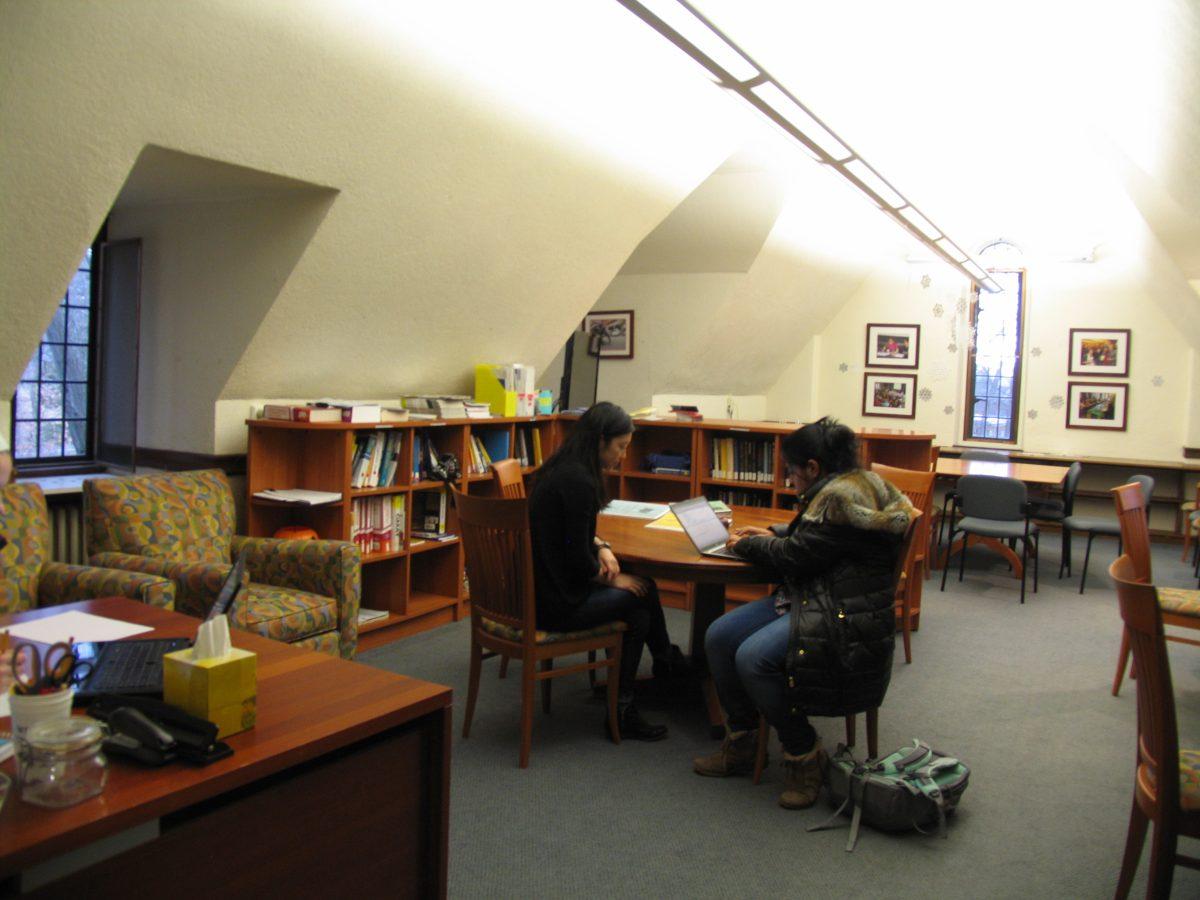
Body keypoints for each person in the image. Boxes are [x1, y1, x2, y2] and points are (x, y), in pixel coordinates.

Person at [692, 417, 913, 808]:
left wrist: (744, 546)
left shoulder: (839, 498)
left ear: (812, 468)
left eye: (791, 472)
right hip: (819, 594)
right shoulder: (853, 485)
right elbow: (818, 539)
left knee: (753, 657)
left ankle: (804, 754)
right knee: (719, 635)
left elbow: (798, 557)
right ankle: (742, 741)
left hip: (842, 614)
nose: (790, 480)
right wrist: (775, 533)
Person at [528, 401, 682, 741]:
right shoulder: (580, 482)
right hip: (557, 603)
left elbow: (573, 535)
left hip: (539, 590)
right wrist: (613, 577)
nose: (624, 456)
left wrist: (601, 545)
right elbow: (576, 560)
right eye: (621, 447)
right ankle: (649, 684)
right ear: (600, 440)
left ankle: (652, 679)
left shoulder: (561, 468)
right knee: (640, 595)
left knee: (641, 593)